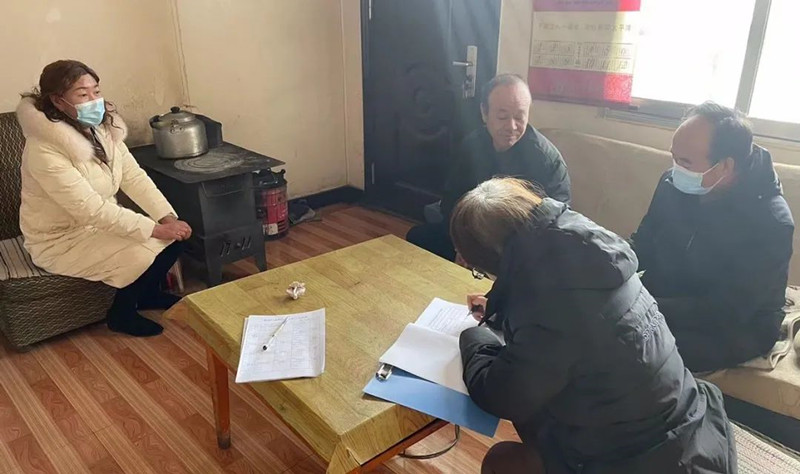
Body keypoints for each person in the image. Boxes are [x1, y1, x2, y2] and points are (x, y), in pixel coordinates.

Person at [453, 178, 736, 473]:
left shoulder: (551, 309)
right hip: (692, 426)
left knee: (502, 460)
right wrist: (502, 308)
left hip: (654, 462)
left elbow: (502, 395)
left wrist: (474, 336)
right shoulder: (591, 253)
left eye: (480, 270)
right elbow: (583, 327)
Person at [17, 59, 192, 337]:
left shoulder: (102, 128)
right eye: (82, 94)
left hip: (99, 224)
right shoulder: (44, 150)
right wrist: (155, 229)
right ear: (58, 101)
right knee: (143, 253)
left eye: (96, 91)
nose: (94, 101)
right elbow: (89, 209)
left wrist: (166, 217)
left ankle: (145, 295)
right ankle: (121, 314)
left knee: (176, 238)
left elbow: (133, 176)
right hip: (61, 238)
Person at [630, 102, 794, 372]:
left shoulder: (770, 221)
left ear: (725, 165)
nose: (675, 169)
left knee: (635, 348)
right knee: (591, 320)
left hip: (731, 326)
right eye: (674, 157)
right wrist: (609, 261)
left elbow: (727, 310)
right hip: (666, 298)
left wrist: (644, 305)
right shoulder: (672, 183)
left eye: (685, 162)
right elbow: (644, 242)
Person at [406, 74, 571, 260]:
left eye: (519, 117)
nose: (511, 126)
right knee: (417, 237)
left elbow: (554, 224)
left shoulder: (546, 160)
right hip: (473, 234)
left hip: (518, 248)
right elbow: (452, 199)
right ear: (484, 113)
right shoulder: (472, 144)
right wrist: (461, 246)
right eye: (502, 116)